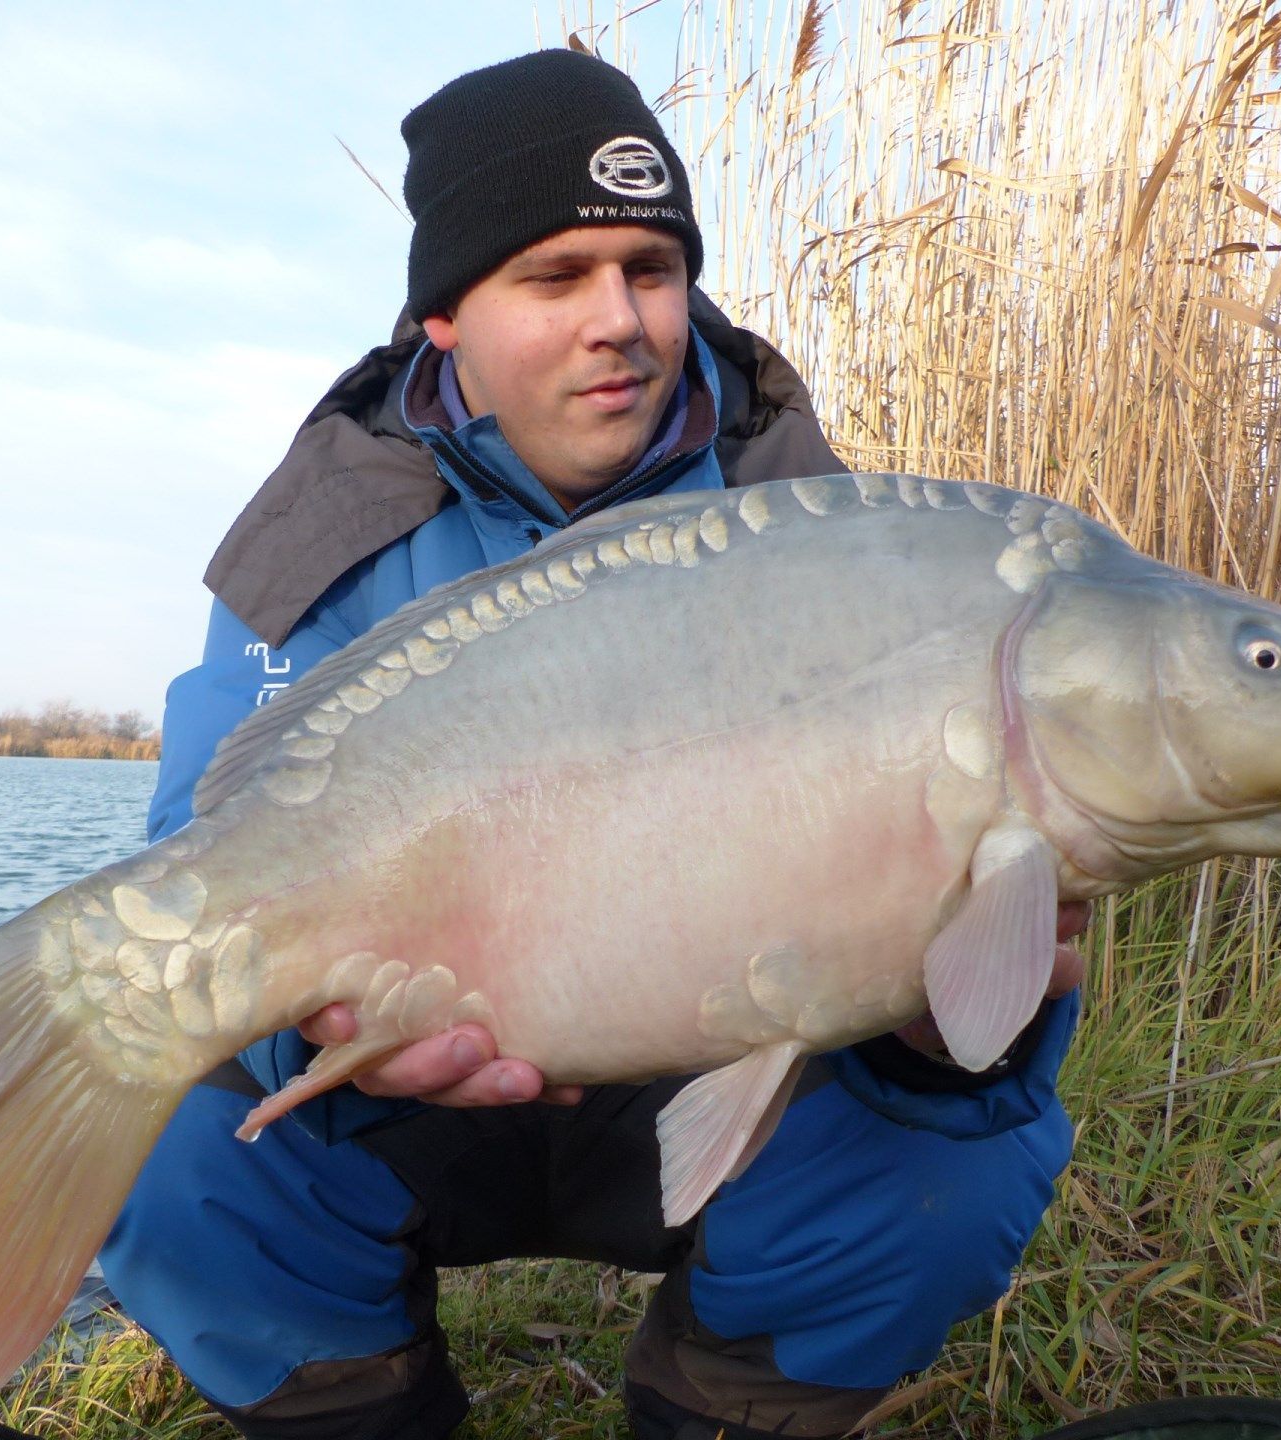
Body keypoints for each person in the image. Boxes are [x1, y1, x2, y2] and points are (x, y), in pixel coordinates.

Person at [99, 49, 1085, 1440]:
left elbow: (962, 961)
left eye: (652, 268)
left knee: (953, 1160)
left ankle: (721, 1409)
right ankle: (359, 1415)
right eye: (555, 278)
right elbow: (200, 874)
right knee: (161, 1136)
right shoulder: (314, 541)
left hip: (718, 1057)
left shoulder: (822, 525)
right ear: (445, 315)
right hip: (417, 1093)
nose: (620, 319)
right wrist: (322, 1031)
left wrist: (944, 1031)